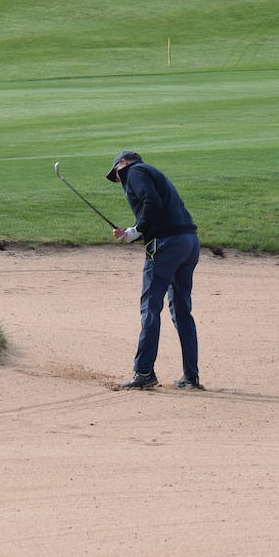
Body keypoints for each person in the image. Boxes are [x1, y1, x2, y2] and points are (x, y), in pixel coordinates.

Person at [106, 150, 202, 390]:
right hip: (188, 242)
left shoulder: (135, 171)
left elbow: (151, 202)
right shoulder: (153, 173)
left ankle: (144, 372)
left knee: (150, 306)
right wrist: (133, 231)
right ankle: (191, 377)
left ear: (123, 164)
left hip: (167, 245)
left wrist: (138, 230)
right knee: (181, 310)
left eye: (116, 174)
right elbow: (158, 212)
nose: (119, 181)